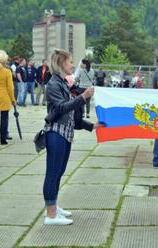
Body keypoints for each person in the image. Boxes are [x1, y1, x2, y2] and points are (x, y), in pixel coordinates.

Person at [43, 49, 101, 225]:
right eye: (69, 62)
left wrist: (92, 126)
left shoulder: (63, 83)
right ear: (61, 64)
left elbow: (73, 119)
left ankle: (53, 206)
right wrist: (83, 97)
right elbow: (61, 108)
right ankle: (50, 216)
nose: (73, 65)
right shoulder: (53, 84)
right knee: (52, 173)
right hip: (55, 134)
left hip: (65, 135)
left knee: (59, 172)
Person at [0, 50, 15, 145]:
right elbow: (10, 87)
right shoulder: (7, 72)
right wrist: (13, 99)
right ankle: (3, 138)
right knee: (4, 118)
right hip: (4, 96)